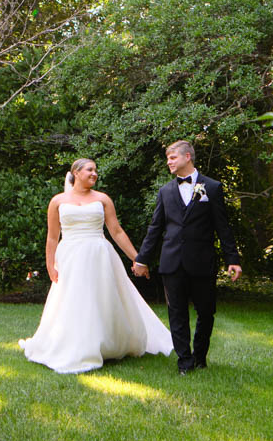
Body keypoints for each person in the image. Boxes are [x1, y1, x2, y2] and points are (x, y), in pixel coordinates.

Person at [19, 158, 174, 373]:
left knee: (101, 298)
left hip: (99, 254)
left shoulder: (102, 199)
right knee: (73, 299)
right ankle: (74, 343)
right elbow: (52, 237)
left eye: (96, 170)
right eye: (90, 170)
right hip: (71, 256)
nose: (94, 174)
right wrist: (50, 264)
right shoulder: (57, 201)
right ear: (76, 172)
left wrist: (137, 258)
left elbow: (116, 231)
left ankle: (106, 342)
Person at [132, 140, 242, 374]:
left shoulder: (211, 188)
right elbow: (155, 228)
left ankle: (200, 356)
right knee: (176, 313)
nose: (169, 162)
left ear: (187, 157)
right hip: (172, 262)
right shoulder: (165, 192)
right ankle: (184, 361)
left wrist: (233, 259)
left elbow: (223, 226)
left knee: (205, 312)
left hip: (202, 261)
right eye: (168, 158)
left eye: (173, 157)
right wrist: (142, 258)